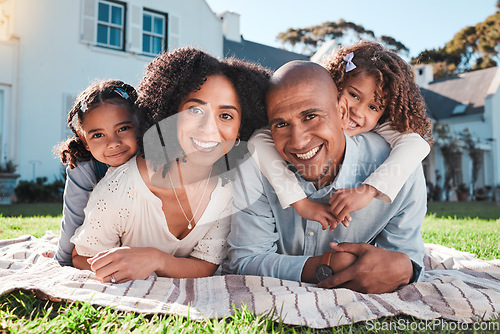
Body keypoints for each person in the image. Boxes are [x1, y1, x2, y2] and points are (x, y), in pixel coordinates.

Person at [224, 60, 427, 294]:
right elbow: (245, 261)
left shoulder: (400, 168)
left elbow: (406, 264)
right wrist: (326, 266)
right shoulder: (256, 164)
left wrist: (403, 269)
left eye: (311, 116)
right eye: (281, 124)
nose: (299, 141)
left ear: (342, 112)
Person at [70, 47, 270, 283]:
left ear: (240, 130)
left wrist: (156, 260)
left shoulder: (227, 190)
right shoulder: (121, 189)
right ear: (169, 112)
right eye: (195, 110)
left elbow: (205, 264)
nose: (209, 127)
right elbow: (82, 257)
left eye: (226, 116)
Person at [248, 41, 432, 230]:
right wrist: (299, 202)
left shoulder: (379, 127)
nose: (358, 112)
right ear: (336, 85)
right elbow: (259, 140)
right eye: (354, 95)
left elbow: (417, 144)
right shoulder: (306, 115)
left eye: (373, 107)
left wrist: (368, 190)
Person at [52, 80, 138, 266]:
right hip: (104, 239)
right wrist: (62, 262)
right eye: (98, 135)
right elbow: (73, 218)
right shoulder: (84, 167)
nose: (113, 142)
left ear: (140, 125)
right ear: (84, 139)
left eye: (123, 128)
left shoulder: (151, 158)